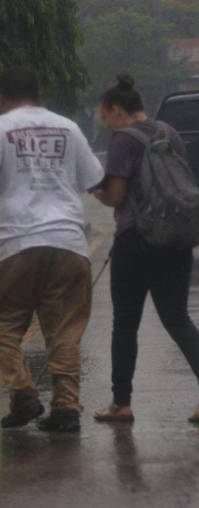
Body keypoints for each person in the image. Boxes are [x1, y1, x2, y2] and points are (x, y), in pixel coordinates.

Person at [92, 74, 199, 423]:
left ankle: (121, 403)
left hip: (136, 240)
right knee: (177, 317)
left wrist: (98, 192)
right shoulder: (169, 133)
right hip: (175, 238)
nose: (106, 124)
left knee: (125, 323)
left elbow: (117, 195)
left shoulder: (123, 140)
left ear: (117, 109)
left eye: (105, 116)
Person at [0, 67, 104, 432]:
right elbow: (93, 180)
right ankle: (65, 407)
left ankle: (25, 394)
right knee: (65, 332)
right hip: (69, 244)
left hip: (17, 245)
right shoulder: (69, 128)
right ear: (38, 93)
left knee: (5, 326)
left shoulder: (0, 129)